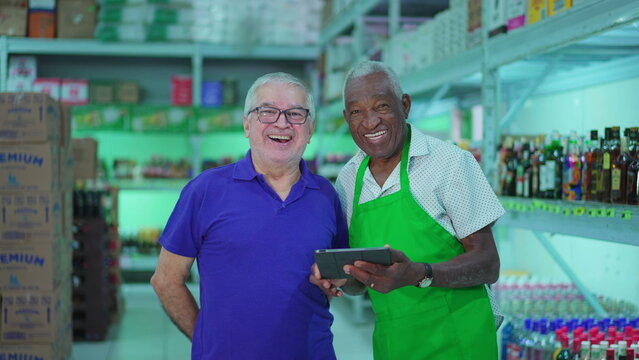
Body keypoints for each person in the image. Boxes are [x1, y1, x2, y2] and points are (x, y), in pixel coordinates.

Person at [311, 60, 505, 359]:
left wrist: (420, 273)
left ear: (405, 105)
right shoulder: (349, 180)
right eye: (356, 111)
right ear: (346, 117)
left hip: (459, 338)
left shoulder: (450, 163)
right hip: (396, 343)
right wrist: (342, 276)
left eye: (382, 106)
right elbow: (358, 287)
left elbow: (488, 263)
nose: (370, 122)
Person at [151, 72, 348, 359]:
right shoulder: (205, 190)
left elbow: (341, 272)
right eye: (267, 112)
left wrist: (340, 278)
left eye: (295, 114)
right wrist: (205, 341)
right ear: (247, 124)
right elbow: (166, 280)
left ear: (310, 129)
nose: (282, 123)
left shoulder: (326, 195)